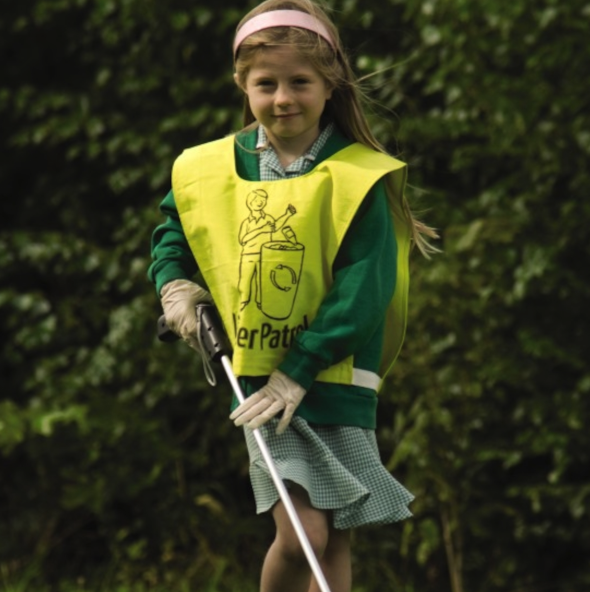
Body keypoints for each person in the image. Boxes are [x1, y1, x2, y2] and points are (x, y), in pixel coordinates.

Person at [148, 1, 438, 590]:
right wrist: (175, 287)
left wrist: (302, 368)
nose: (284, 98)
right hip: (261, 381)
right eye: (267, 84)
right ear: (242, 85)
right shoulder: (207, 169)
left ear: (329, 84)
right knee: (302, 534)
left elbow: (365, 286)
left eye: (300, 82)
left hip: (333, 380)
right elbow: (174, 236)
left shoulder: (359, 173)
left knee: (331, 543)